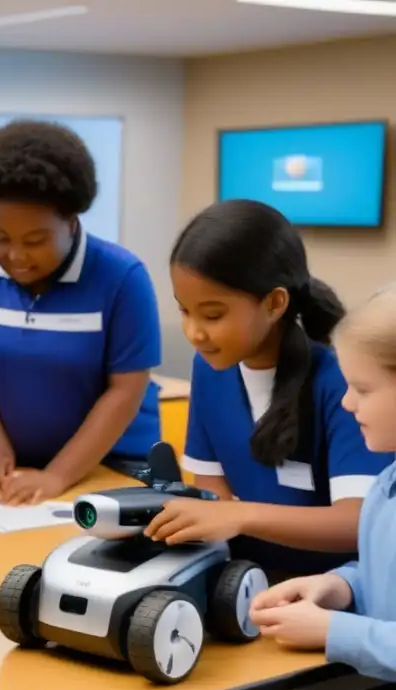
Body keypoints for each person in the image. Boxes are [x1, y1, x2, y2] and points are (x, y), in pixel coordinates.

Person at [145, 199, 392, 579]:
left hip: (331, 595)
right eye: (184, 311)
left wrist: (240, 515)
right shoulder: (210, 368)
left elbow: (357, 523)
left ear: (275, 303)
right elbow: (212, 492)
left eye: (213, 315)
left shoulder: (341, 380)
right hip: (242, 581)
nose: (194, 333)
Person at [0, 119, 162, 505]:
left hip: (114, 463)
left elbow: (125, 391)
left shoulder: (123, 277)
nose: (16, 255)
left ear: (72, 220)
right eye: (1, 237)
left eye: (35, 240)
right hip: (6, 465)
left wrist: (57, 476)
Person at [250, 285, 396, 690]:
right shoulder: (388, 481)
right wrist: (338, 586)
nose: (349, 404)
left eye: (364, 389)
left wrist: (333, 630)